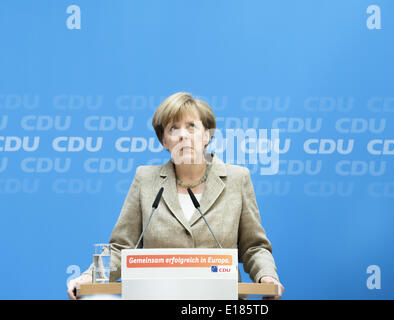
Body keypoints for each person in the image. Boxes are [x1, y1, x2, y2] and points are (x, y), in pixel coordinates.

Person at [67, 92, 284, 300]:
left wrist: (267, 276)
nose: (183, 135)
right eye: (173, 128)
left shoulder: (237, 178)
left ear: (207, 135)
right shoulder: (146, 179)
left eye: (192, 126)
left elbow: (253, 247)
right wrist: (89, 277)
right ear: (164, 141)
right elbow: (121, 248)